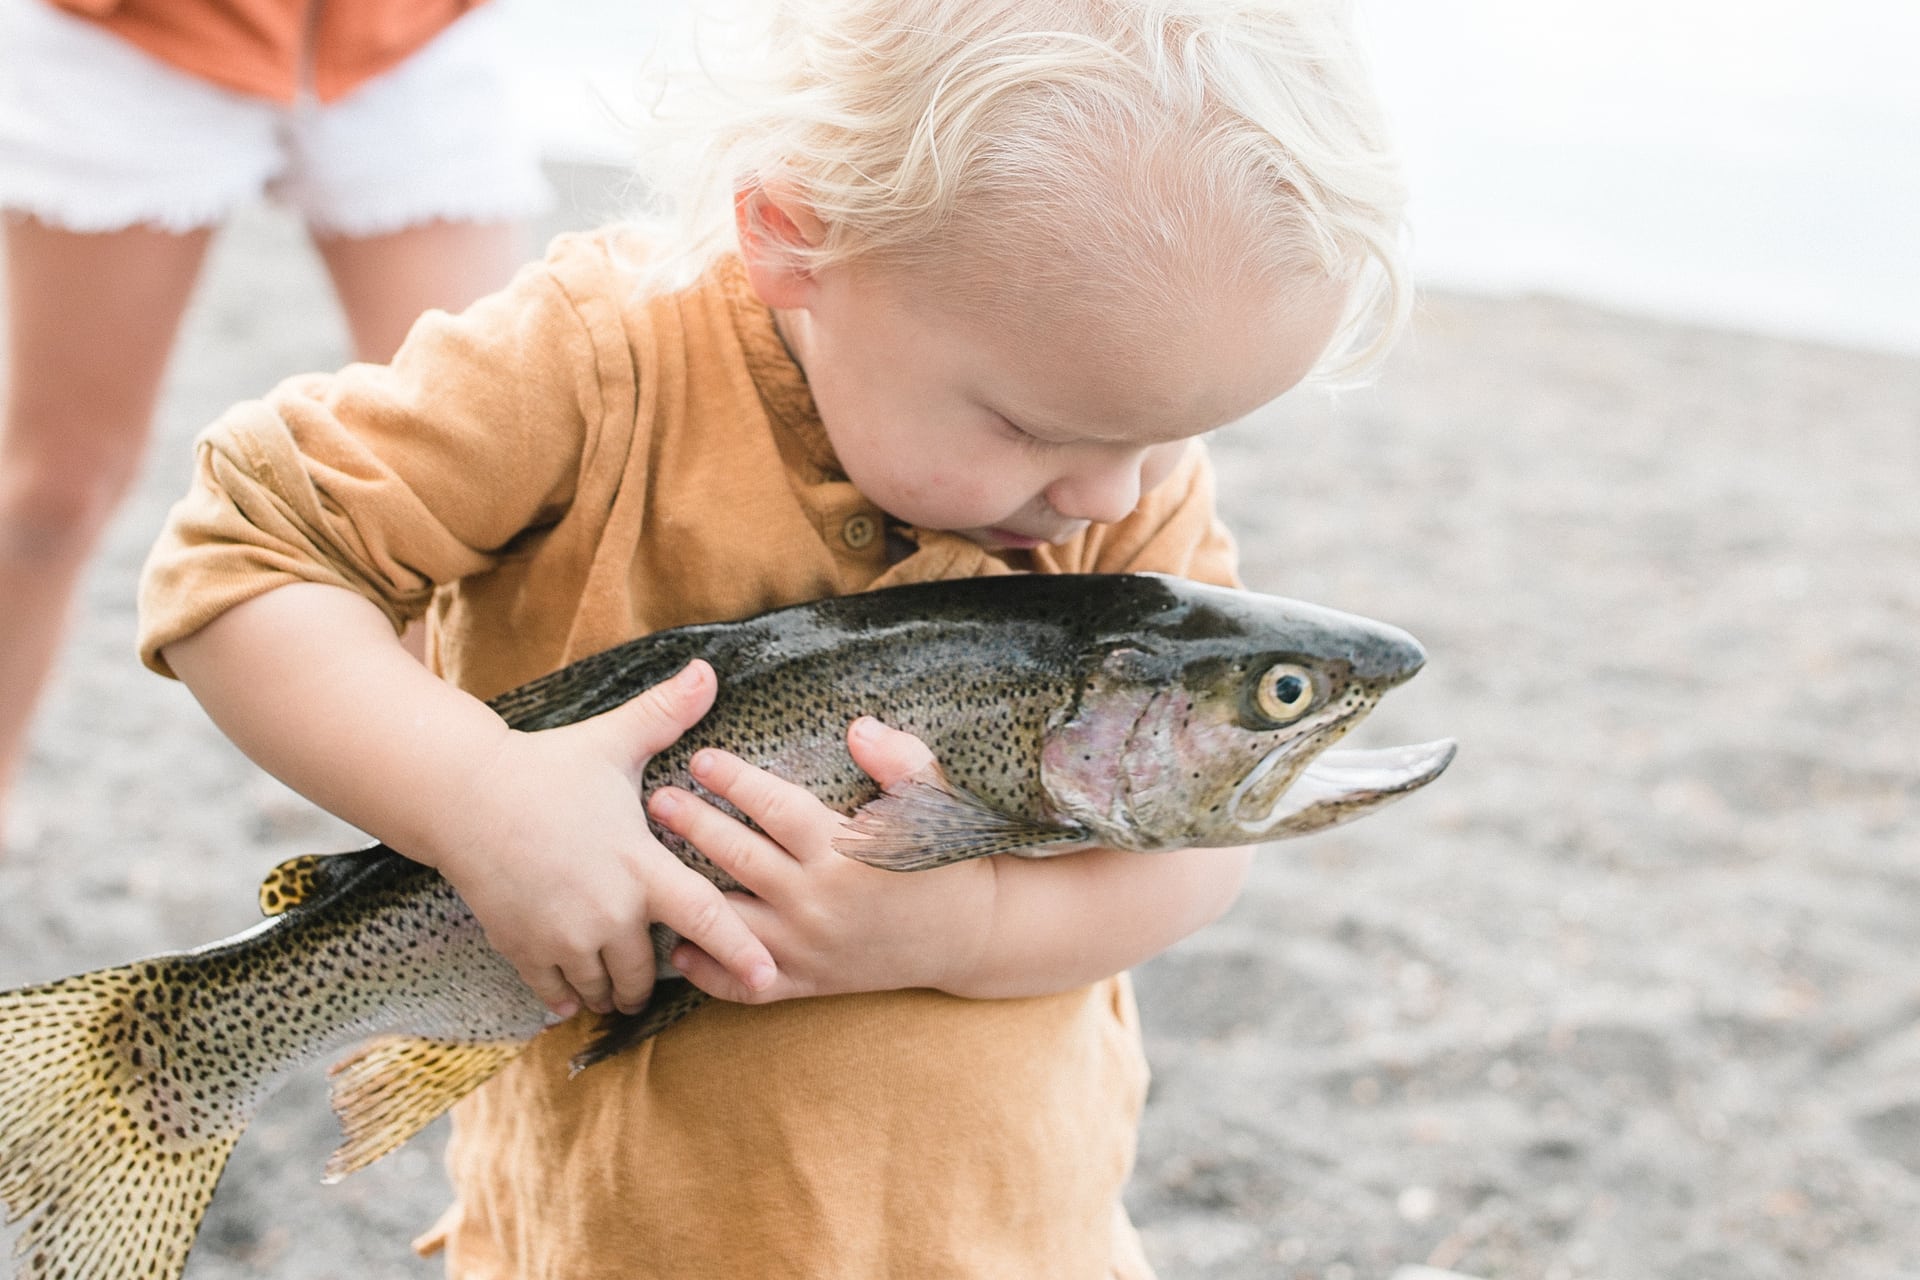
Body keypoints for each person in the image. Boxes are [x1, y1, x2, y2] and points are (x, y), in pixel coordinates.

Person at [137, 1, 1410, 1274]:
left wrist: (962, 934)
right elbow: (242, 555)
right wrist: (479, 797)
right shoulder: (595, 366)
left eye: (1170, 438)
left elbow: (1201, 851)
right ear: (797, 234)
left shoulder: (1120, 491)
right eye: (1037, 428)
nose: (1110, 498)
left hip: (1016, 1239)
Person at [0, 0, 549, 842]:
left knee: (475, 472)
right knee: (57, 486)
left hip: (410, 32)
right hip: (137, 31)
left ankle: (409, 815)